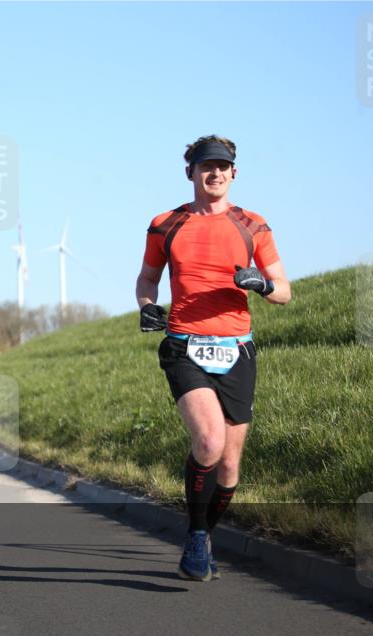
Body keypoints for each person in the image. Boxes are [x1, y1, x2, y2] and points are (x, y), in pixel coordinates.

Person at [136, 136, 291, 581]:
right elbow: (147, 279)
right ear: (191, 173)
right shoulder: (166, 224)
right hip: (185, 344)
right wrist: (149, 306)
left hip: (237, 349)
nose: (216, 173)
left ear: (234, 173)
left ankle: (200, 531)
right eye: (207, 166)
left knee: (228, 467)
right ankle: (198, 539)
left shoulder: (253, 224)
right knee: (208, 442)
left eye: (224, 166)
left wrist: (260, 284)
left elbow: (283, 289)